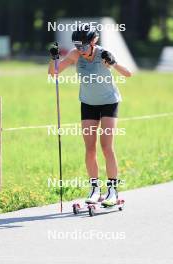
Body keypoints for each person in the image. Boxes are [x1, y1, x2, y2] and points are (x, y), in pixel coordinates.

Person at [48, 24, 131, 206]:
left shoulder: (103, 54)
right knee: (90, 147)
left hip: (109, 102)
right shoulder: (75, 54)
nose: (81, 50)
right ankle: (95, 189)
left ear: (94, 42)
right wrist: (54, 57)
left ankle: (112, 191)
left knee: (106, 146)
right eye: (78, 46)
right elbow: (53, 72)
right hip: (88, 104)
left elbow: (128, 73)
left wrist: (113, 63)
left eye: (84, 46)